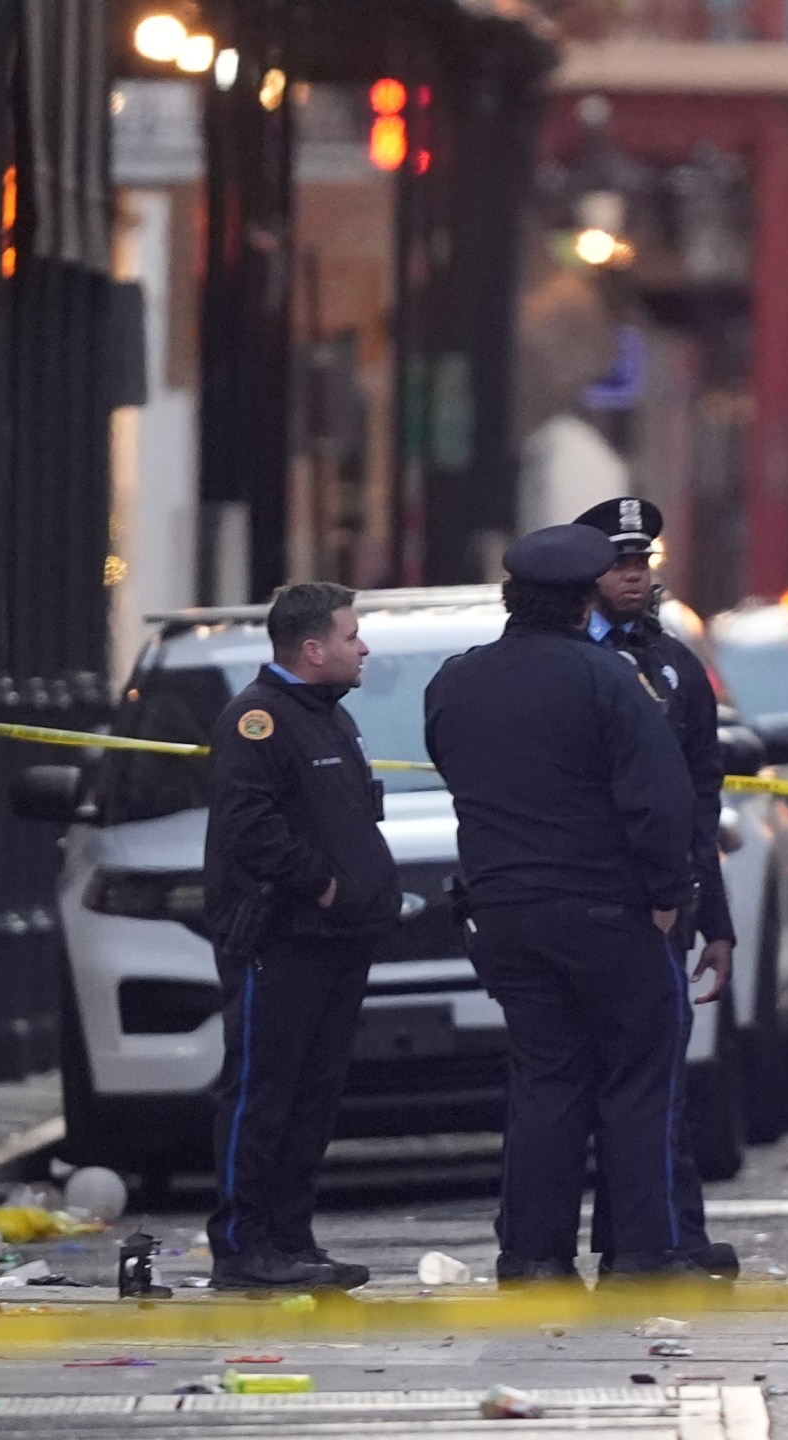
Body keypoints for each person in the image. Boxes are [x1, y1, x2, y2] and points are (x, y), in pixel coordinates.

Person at [422, 524, 702, 1285]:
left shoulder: (456, 680)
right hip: (608, 912)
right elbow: (659, 800)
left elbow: (454, 767)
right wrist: (670, 896)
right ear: (585, 603)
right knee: (638, 1084)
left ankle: (534, 1257)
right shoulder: (610, 680)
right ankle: (642, 1254)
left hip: (505, 913)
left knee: (546, 1083)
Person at [201, 582, 398, 1292]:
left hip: (337, 939)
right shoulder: (258, 720)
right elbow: (249, 826)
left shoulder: (328, 718)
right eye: (350, 636)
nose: (362, 647)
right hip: (281, 938)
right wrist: (320, 882)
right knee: (262, 1091)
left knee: (314, 1095)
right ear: (312, 649)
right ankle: (242, 1243)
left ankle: (290, 1238)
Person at [572, 496, 736, 1279]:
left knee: (660, 1084)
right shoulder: (563, 654)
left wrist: (718, 919)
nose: (632, 577)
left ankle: (672, 1238)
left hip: (660, 906)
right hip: (584, 900)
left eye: (641, 564)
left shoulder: (675, 665)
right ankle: (602, 1245)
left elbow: (700, 800)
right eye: (617, 564)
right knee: (582, 1088)